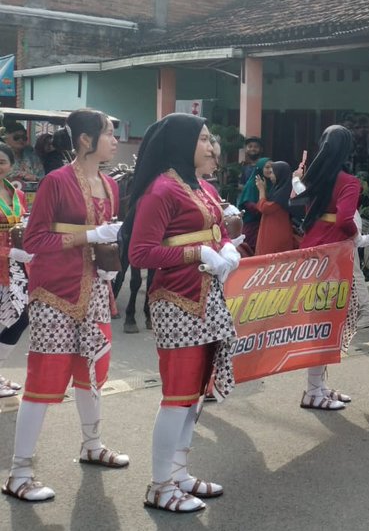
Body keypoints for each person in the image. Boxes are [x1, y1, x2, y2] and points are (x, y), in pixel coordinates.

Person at [4, 109, 126, 502]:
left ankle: (92, 445)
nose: (115, 140)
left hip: (96, 292)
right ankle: (20, 472)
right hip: (54, 293)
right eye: (109, 133)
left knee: (93, 372)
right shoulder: (56, 182)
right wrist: (90, 235)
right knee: (44, 379)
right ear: (86, 140)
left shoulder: (111, 185)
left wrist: (107, 254)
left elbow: (105, 237)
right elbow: (35, 240)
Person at [125, 114, 240, 512]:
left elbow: (218, 232)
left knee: (194, 395)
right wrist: (198, 252)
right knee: (177, 395)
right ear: (181, 142)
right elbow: (140, 252)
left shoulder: (203, 188)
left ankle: (179, 472)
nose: (212, 147)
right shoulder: (161, 190)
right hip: (176, 301)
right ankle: (160, 485)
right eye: (204, 139)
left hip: (209, 299)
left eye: (211, 139)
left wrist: (227, 248)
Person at [292, 125, 365, 410]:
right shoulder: (349, 181)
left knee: (321, 321)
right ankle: (313, 391)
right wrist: (358, 238)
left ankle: (319, 387)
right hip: (333, 258)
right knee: (326, 323)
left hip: (313, 253)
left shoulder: (314, 177)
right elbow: (345, 218)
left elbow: (298, 200)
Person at [0, 143, 33, 397]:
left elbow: (22, 224)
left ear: (11, 165)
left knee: (22, 317)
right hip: (4, 260)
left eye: (2, 161)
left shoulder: (17, 193)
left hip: (18, 268)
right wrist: (9, 252)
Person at [253, 161, 297, 255]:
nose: (270, 176)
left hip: (276, 233)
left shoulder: (283, 194)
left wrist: (261, 190)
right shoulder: (278, 190)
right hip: (270, 230)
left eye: (272, 173)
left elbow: (264, 208)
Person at [235, 157, 270, 255]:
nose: (270, 170)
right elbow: (247, 203)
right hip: (252, 225)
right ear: (260, 168)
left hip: (266, 224)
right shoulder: (251, 185)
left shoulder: (271, 182)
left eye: (272, 167)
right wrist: (263, 208)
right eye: (267, 167)